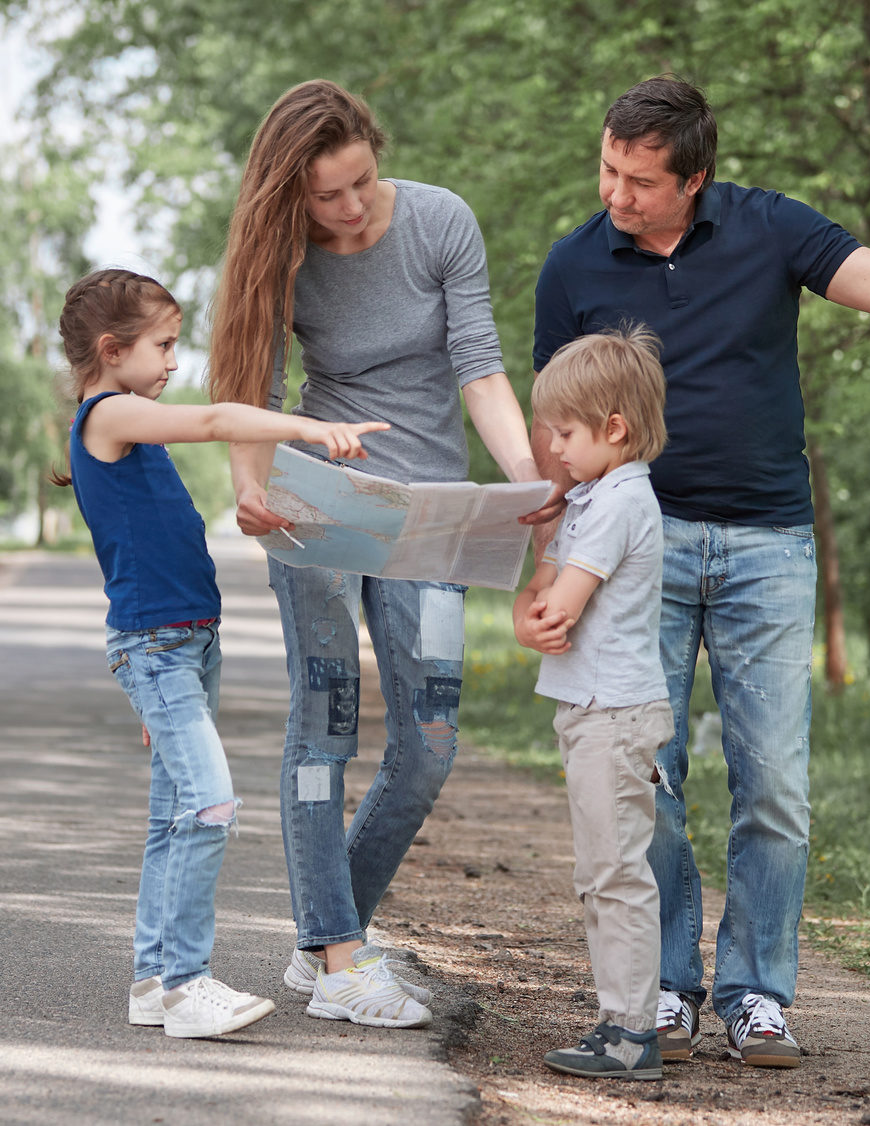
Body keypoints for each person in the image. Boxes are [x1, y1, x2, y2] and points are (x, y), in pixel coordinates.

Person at [528, 75, 870, 1069]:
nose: (614, 194)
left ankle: (756, 994)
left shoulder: (769, 228)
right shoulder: (574, 263)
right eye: (606, 169)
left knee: (773, 787)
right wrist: (553, 568)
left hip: (766, 547)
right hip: (631, 551)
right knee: (644, 779)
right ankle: (662, 987)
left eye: (639, 180)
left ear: (693, 177)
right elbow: (555, 439)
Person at [206, 79, 544, 1029]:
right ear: (288, 195)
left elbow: (478, 363)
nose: (349, 210)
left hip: (428, 513)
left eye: (360, 182)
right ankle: (346, 961)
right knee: (324, 728)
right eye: (325, 196)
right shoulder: (274, 253)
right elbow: (248, 379)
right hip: (319, 506)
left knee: (428, 745)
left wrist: (524, 483)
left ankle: (324, 937)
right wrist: (250, 489)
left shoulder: (440, 222)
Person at [53, 267, 388, 1038]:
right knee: (210, 805)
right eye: (163, 345)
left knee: (175, 815)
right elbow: (211, 423)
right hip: (159, 649)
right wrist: (306, 429)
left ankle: (151, 980)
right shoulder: (109, 415)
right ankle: (185, 982)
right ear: (112, 350)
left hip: (184, 650)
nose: (174, 361)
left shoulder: (126, 421)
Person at [514, 326, 674, 1081]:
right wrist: (534, 603)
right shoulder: (591, 495)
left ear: (615, 428)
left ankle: (631, 1030)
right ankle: (620, 1018)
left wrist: (541, 613)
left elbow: (557, 606)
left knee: (614, 875)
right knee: (600, 872)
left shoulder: (617, 503)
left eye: (565, 433)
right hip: (590, 710)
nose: (553, 447)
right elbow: (539, 595)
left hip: (614, 715)